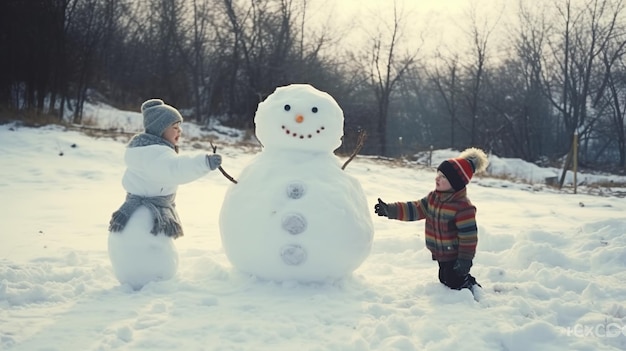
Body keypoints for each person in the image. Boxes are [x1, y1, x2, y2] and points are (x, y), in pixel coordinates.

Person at [107, 98, 222, 289]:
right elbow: (175, 168)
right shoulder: (156, 155)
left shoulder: (143, 151)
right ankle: (154, 277)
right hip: (147, 218)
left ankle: (132, 276)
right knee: (155, 248)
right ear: (160, 128)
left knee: (143, 247)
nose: (179, 131)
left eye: (180, 126)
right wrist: (203, 163)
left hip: (133, 214)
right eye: (174, 126)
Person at [374, 147, 489, 296]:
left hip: (455, 254)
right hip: (440, 252)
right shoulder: (433, 198)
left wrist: (465, 260)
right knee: (444, 278)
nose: (437, 178)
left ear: (455, 182)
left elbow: (469, 238)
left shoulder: (463, 207)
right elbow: (415, 209)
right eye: (438, 174)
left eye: (443, 177)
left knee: (453, 279)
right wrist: (390, 210)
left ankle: (470, 287)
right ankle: (464, 282)